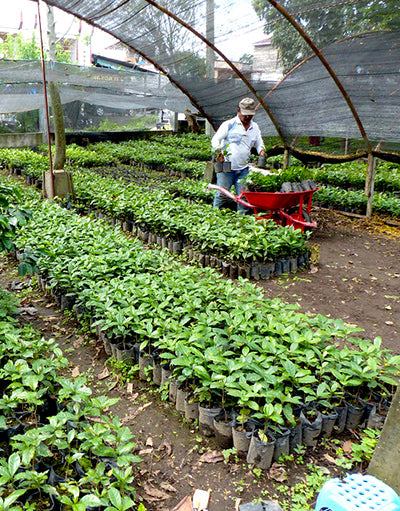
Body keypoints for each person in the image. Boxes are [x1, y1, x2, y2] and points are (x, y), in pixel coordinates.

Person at [211, 97, 265, 213]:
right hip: (226, 166)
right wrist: (218, 152)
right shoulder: (229, 124)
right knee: (222, 193)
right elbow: (215, 140)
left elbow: (259, 142)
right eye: (245, 114)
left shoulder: (254, 127)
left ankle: (242, 220)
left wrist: (261, 150)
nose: (247, 117)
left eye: (250, 114)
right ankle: (214, 216)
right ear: (238, 111)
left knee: (244, 196)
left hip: (243, 168)